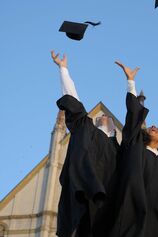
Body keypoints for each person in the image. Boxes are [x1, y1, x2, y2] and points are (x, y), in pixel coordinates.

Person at [111, 61, 158, 237]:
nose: (154, 126)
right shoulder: (135, 149)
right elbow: (134, 117)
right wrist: (131, 83)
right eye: (151, 126)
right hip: (130, 221)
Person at [52, 51, 119, 237]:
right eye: (101, 116)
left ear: (114, 129)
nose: (103, 116)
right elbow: (73, 100)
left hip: (106, 206)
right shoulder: (85, 128)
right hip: (81, 197)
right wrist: (63, 69)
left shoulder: (119, 150)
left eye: (108, 117)